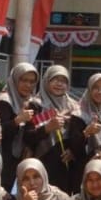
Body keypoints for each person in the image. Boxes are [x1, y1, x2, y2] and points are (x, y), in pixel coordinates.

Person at [25, 64, 77, 192]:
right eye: (55, 79)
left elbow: (78, 135)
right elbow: (27, 136)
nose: (59, 84)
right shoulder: (36, 104)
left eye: (63, 80)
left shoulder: (73, 106)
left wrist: (73, 150)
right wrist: (47, 128)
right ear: (46, 81)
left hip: (65, 162)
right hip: (42, 160)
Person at [1, 63, 41, 179]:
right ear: (15, 80)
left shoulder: (32, 103)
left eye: (32, 81)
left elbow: (32, 132)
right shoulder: (4, 101)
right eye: (23, 80)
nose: (28, 85)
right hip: (5, 161)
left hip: (24, 160)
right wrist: (17, 121)